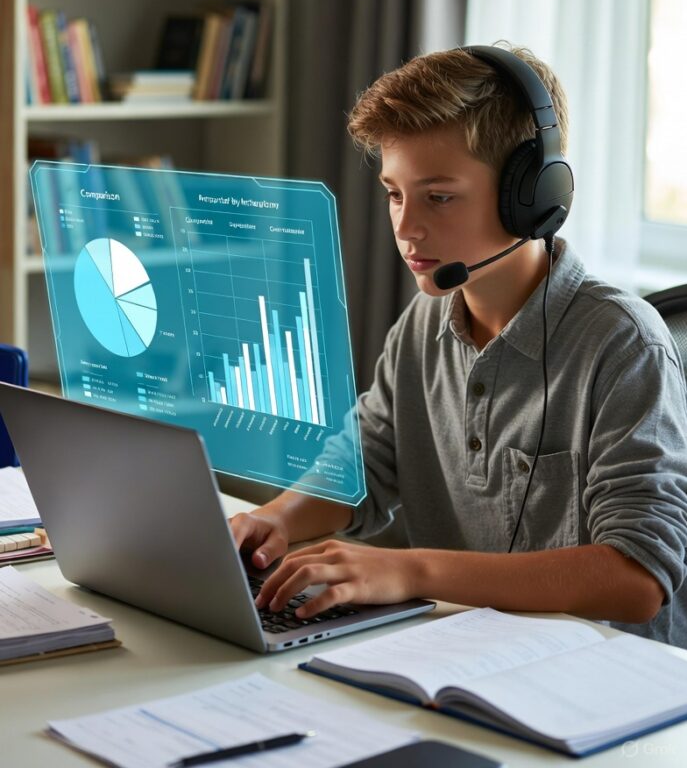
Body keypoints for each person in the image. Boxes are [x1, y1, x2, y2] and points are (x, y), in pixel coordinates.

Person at [230, 44, 687, 646]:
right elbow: (363, 465)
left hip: (600, 682)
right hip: (466, 656)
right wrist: (274, 520)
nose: (405, 227)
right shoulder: (425, 324)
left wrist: (412, 569)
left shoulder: (622, 344)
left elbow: (638, 577)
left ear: (533, 196)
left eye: (438, 197)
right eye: (395, 194)